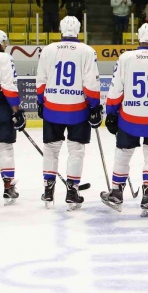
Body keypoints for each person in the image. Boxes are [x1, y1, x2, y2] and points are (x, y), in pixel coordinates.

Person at [101, 23, 148, 215]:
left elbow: (116, 88)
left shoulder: (125, 58)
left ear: (138, 38)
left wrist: (111, 112)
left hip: (130, 117)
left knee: (123, 153)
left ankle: (116, 193)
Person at [36, 16, 101, 209]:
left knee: (51, 150)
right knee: (76, 151)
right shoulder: (87, 51)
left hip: (53, 108)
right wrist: (95, 106)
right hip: (77, 109)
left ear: (60, 29)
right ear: (79, 30)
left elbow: (41, 80)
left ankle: (48, 191)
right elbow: (91, 83)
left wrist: (41, 102)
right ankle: (72, 191)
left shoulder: (48, 50)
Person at [0, 29, 26, 206]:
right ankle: (8, 186)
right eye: (3, 42)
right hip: (0, 107)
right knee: (5, 148)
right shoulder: (5, 59)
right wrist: (16, 110)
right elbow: (9, 87)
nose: (5, 45)